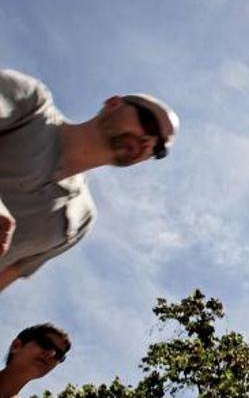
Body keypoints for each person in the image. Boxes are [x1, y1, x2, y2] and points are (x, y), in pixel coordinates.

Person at [0, 68, 179, 291]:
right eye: (148, 122)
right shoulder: (32, 104)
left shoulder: (81, 219)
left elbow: (10, 273)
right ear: (113, 103)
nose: (149, 141)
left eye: (159, 148)